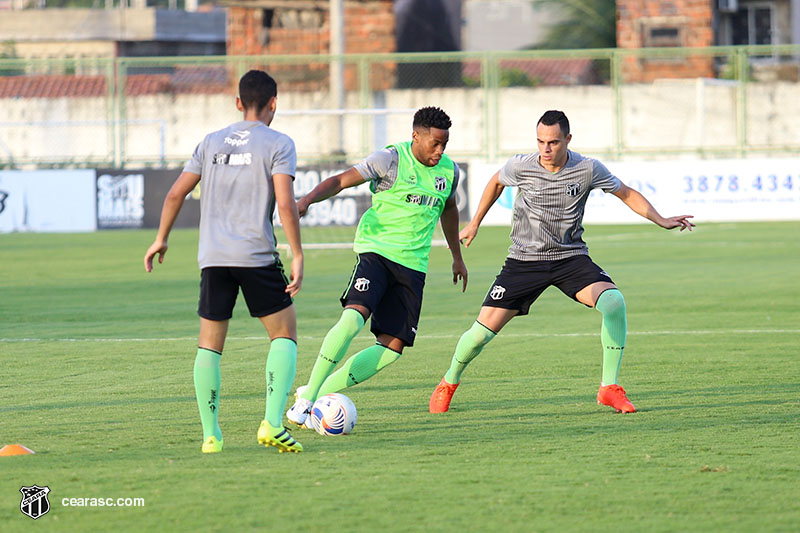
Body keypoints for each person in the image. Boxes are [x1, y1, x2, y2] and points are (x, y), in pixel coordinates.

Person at [429, 110, 695, 414]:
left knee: (613, 302)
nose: (546, 149)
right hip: (524, 261)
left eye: (553, 142)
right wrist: (475, 221)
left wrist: (660, 219)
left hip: (570, 258)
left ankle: (609, 387)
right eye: (541, 141)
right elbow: (496, 182)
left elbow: (625, 192)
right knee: (479, 335)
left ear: (567, 139)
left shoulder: (587, 168)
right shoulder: (522, 165)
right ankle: (448, 383)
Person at [143, 70, 304, 453]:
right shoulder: (279, 143)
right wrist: (297, 253)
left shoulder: (210, 142)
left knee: (209, 346)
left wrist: (161, 238)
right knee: (284, 335)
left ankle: (211, 436)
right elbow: (284, 203)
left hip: (213, 258)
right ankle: (271, 423)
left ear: (237, 102)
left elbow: (174, 195)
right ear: (273, 104)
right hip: (255, 255)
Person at [286, 106, 468, 427]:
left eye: (444, 144)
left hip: (413, 269)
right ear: (416, 136)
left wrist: (456, 255)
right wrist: (306, 201)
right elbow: (341, 180)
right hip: (377, 254)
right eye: (434, 144)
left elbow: (449, 209)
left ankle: (317, 393)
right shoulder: (391, 160)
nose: (439, 151)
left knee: (392, 348)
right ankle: (306, 399)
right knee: (353, 318)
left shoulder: (449, 172)